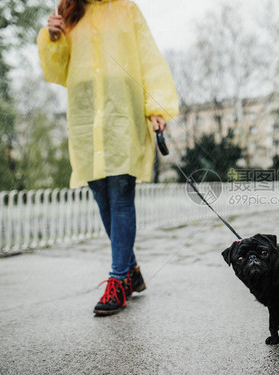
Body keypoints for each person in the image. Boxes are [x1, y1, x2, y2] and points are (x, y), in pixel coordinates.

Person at [37, 0, 179, 315]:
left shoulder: (127, 9)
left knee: (121, 198)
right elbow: (58, 72)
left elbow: (149, 58)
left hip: (122, 116)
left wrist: (157, 105)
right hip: (87, 119)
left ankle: (118, 280)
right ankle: (132, 270)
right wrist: (53, 39)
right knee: (103, 201)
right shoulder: (70, 14)